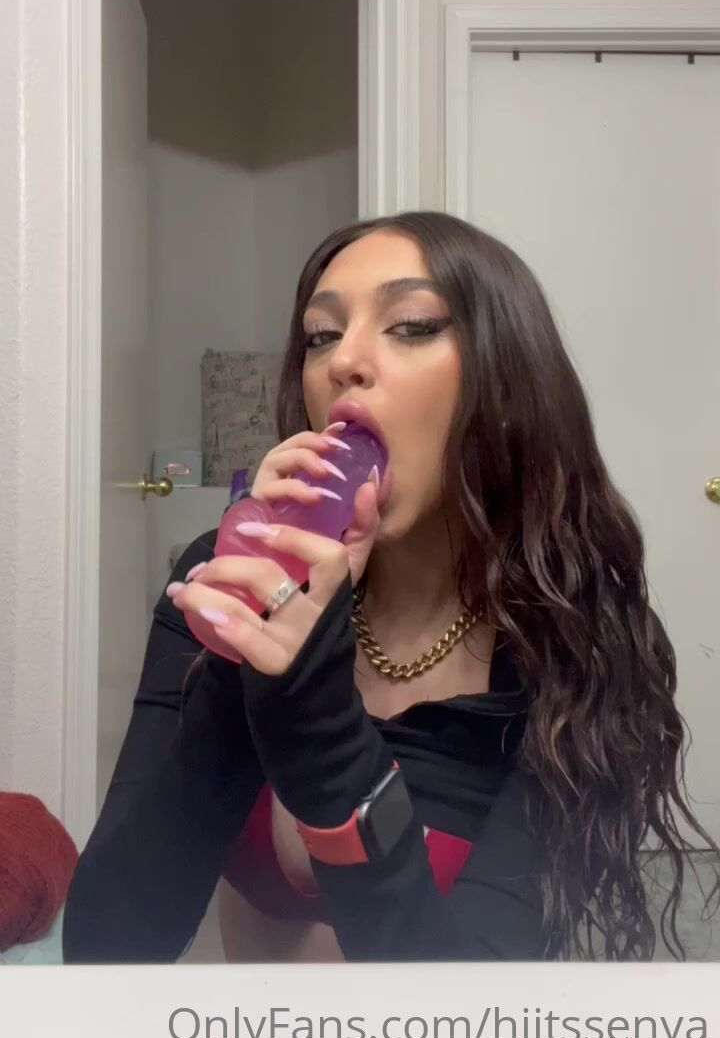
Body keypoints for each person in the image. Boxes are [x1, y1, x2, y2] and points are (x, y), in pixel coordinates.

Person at [63, 211, 718, 964]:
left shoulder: (576, 643)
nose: (344, 360)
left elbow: (464, 1004)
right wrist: (242, 663)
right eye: (321, 335)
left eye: (411, 326)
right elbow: (105, 949)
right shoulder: (223, 578)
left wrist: (320, 726)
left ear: (506, 385)